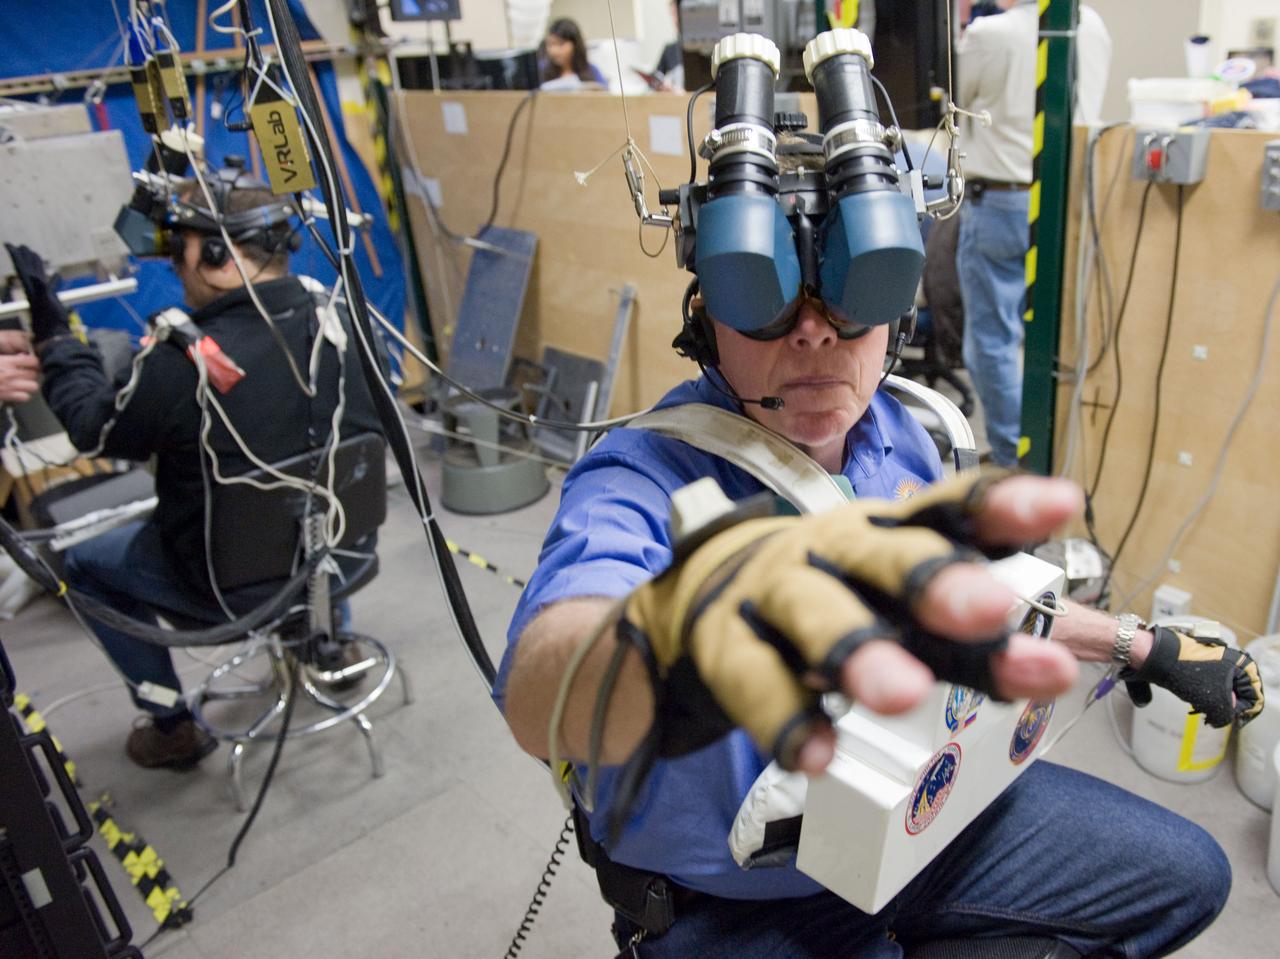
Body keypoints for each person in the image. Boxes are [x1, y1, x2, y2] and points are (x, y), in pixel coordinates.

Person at [494, 130, 1262, 954]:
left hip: (917, 824)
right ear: (707, 311)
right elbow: (542, 698)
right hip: (747, 899)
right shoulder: (638, 477)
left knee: (1182, 875)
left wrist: (1137, 643)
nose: (815, 334)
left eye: (854, 289)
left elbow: (963, 594)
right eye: (766, 293)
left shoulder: (902, 430)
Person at [4, 170, 384, 770]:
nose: (173, 265)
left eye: (178, 247)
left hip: (222, 590)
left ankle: (172, 725)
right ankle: (326, 643)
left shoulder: (181, 363)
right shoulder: (347, 325)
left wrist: (54, 334)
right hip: (344, 559)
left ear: (214, 252)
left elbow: (90, 427)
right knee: (314, 492)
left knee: (83, 566)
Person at [954, 1, 1111, 466]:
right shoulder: (1093, 25)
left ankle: (1009, 458)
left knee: (993, 340)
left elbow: (955, 100)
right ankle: (1050, 453)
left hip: (1002, 201)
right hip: (1065, 199)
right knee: (1053, 336)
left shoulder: (991, 33)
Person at [540, 17, 607, 89]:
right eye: (550, 44)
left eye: (560, 44)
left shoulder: (592, 71)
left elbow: (606, 95)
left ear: (575, 44)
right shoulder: (540, 71)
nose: (554, 50)